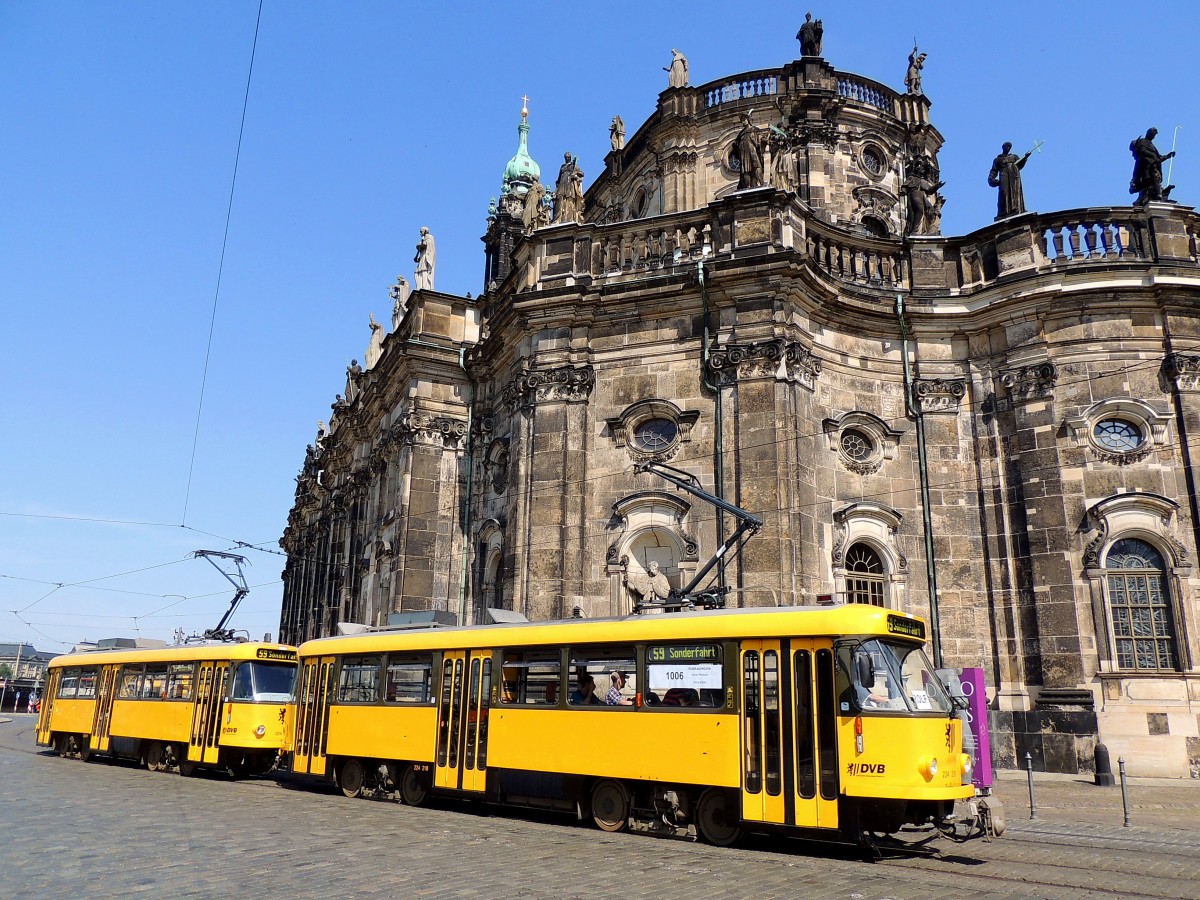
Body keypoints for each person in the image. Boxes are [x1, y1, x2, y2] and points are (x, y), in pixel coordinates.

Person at [1130, 127, 1175, 206]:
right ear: (1148, 133)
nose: (1153, 136)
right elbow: (1142, 151)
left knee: (1155, 181)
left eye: (1154, 135)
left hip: (1154, 168)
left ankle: (1159, 194)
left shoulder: (1152, 145)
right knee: (1152, 180)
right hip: (1146, 168)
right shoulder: (1142, 141)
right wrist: (1153, 156)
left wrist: (1167, 156)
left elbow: (1158, 158)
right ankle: (1158, 195)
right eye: (1152, 134)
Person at [988, 142, 1032, 219]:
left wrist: (1025, 158)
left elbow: (1020, 164)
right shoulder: (998, 159)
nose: (1008, 148)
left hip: (1014, 177)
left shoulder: (1014, 157)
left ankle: (1016, 209)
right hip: (1004, 177)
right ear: (1003, 147)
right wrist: (991, 179)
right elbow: (994, 171)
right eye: (1006, 146)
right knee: (1004, 193)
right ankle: (1003, 213)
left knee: (1015, 193)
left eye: (1009, 146)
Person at [735, 112, 765, 190]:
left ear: (748, 120)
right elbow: (736, 144)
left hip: (752, 151)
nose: (743, 121)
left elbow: (761, 139)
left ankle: (761, 182)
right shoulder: (741, 134)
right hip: (743, 152)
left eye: (744, 119)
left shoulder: (754, 129)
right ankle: (747, 187)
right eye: (742, 120)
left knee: (756, 166)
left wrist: (762, 142)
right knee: (745, 170)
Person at [553, 152, 584, 224]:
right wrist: (556, 189)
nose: (567, 158)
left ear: (570, 157)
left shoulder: (574, 166)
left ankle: (569, 218)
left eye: (568, 157)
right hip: (562, 184)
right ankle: (559, 218)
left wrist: (575, 175)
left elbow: (581, 173)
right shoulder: (562, 166)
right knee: (560, 200)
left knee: (569, 200)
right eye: (566, 157)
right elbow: (559, 178)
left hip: (570, 185)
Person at [414, 227, 436, 291]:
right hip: (422, 257)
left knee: (424, 270)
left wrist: (421, 244)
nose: (420, 233)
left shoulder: (429, 237)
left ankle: (425, 286)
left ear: (425, 231)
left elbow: (427, 245)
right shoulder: (424, 238)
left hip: (426, 257)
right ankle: (419, 286)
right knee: (416, 272)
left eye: (421, 231)